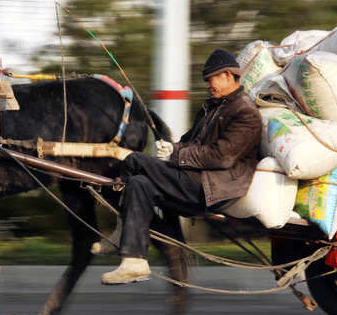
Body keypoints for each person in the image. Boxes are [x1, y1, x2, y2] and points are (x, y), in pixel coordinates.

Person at [101, 48, 263, 284]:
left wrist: (178, 155)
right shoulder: (212, 108)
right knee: (139, 183)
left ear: (229, 76)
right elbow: (188, 142)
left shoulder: (245, 113)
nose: (208, 84)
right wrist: (172, 148)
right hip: (194, 179)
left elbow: (222, 157)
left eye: (211, 79)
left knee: (133, 159)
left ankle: (122, 228)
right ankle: (134, 260)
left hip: (214, 187)